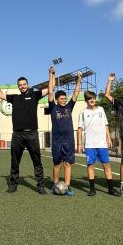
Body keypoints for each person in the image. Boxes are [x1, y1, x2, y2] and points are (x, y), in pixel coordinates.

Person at [0, 72, 50, 194]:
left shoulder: (35, 95)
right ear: (18, 86)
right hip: (17, 135)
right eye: (20, 85)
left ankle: (40, 186)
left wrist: (51, 74)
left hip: (32, 134)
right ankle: (13, 184)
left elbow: (51, 89)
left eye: (24, 84)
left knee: (37, 161)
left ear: (28, 85)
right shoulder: (15, 97)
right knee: (15, 161)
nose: (23, 86)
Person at [77, 90, 118, 196]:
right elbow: (80, 129)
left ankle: (111, 189)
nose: (92, 100)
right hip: (89, 144)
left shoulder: (101, 109)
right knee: (90, 165)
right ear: (86, 100)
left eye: (93, 98)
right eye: (90, 99)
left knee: (106, 165)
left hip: (102, 144)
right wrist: (79, 144)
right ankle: (92, 189)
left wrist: (108, 138)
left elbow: (106, 125)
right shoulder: (83, 112)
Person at [47, 67, 81, 196]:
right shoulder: (53, 108)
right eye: (61, 98)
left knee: (67, 164)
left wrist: (79, 80)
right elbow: (50, 92)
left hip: (68, 141)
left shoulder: (68, 107)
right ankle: (55, 185)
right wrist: (50, 74)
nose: (64, 100)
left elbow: (76, 94)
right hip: (57, 141)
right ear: (56, 100)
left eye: (64, 98)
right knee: (57, 164)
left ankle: (67, 186)